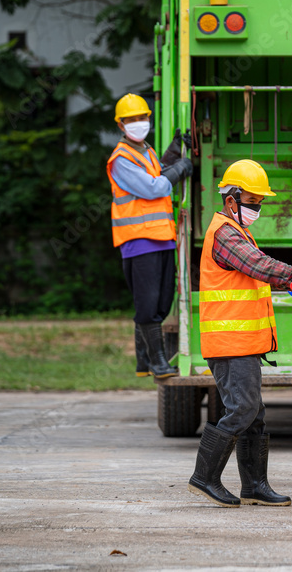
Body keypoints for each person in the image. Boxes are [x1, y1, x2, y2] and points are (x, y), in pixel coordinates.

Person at [188, 159, 292, 508]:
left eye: (260, 202)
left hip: (242, 342)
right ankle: (204, 477)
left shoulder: (238, 231)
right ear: (231, 199)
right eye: (252, 200)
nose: (257, 207)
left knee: (254, 414)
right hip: (229, 343)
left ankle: (255, 486)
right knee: (244, 408)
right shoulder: (225, 234)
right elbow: (259, 266)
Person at [106, 93, 193, 380]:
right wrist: (180, 168)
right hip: (139, 241)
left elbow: (156, 173)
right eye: (131, 120)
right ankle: (156, 363)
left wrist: (173, 153)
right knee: (148, 303)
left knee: (161, 303)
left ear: (148, 119)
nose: (138, 123)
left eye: (141, 118)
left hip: (162, 238)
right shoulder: (121, 159)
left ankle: (144, 361)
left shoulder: (146, 151)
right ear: (121, 125)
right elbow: (154, 188)